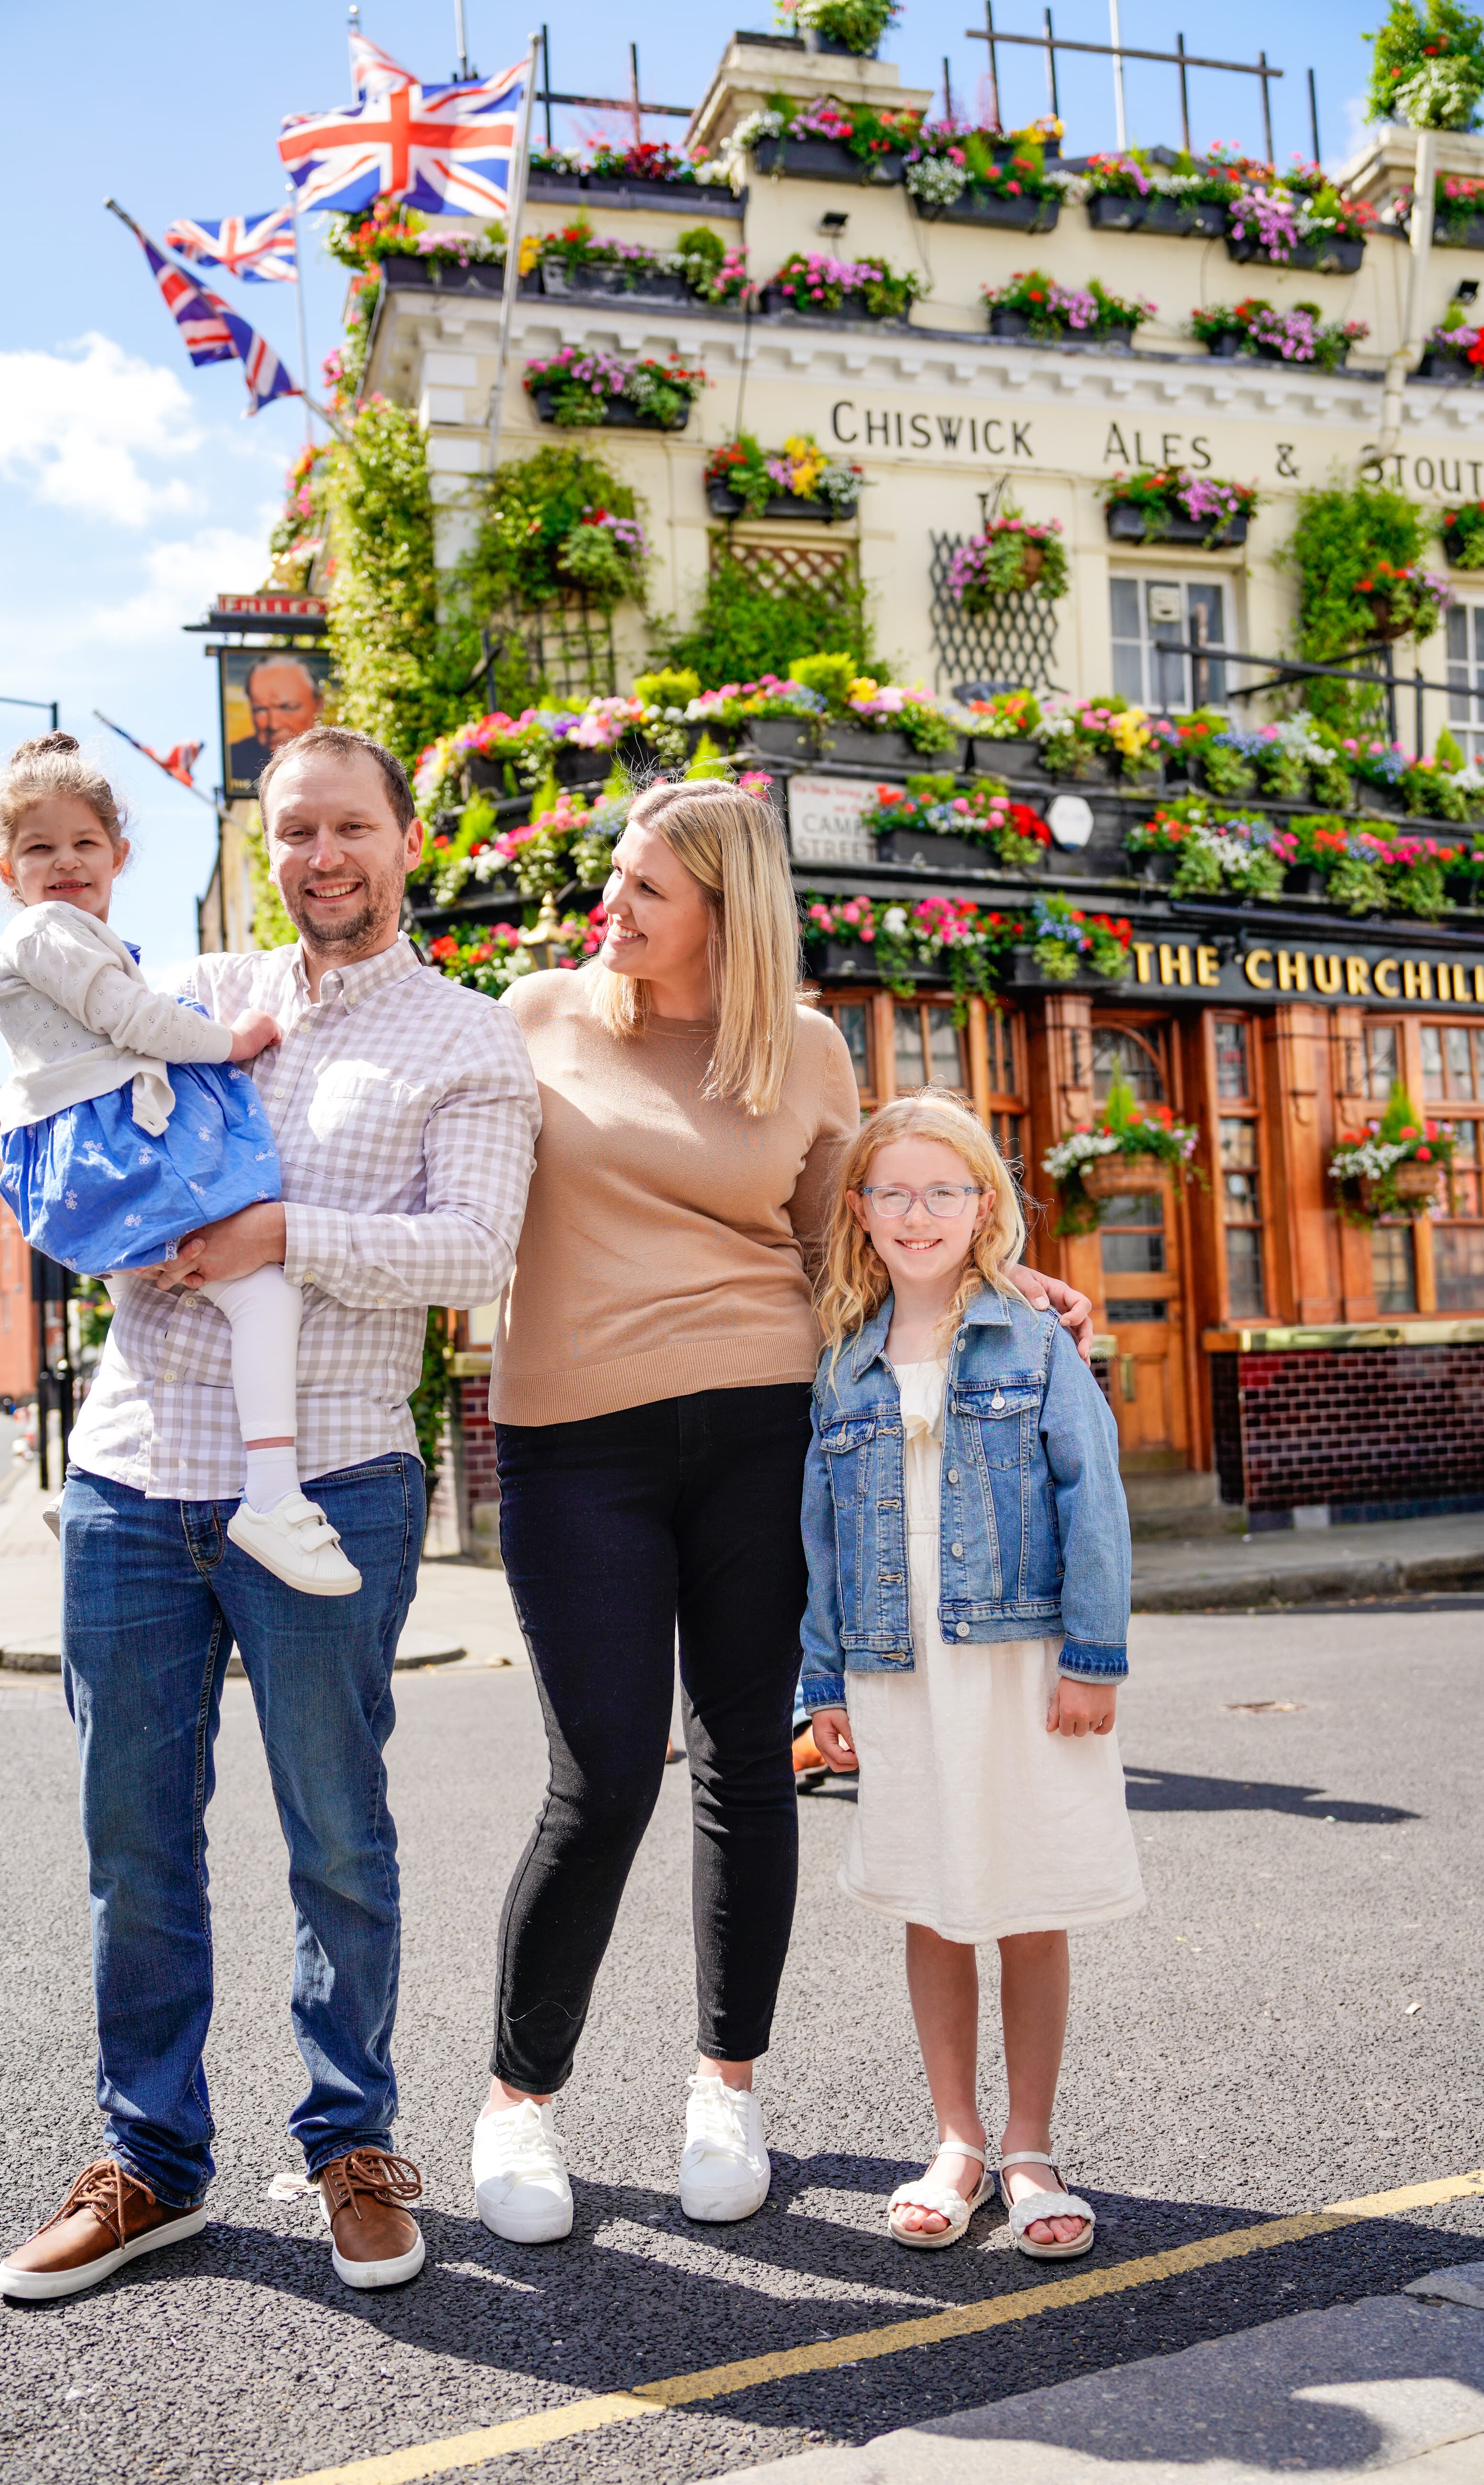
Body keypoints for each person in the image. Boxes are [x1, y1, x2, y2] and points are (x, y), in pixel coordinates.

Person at [468, 777, 1095, 2246]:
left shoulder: (805, 1053)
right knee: (604, 1771)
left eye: (644, 892)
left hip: (766, 1432)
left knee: (747, 1758)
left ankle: (725, 2086)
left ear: (727, 917)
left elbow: (857, 1256)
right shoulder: (536, 1014)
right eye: (612, 877)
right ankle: (519, 2098)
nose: (606, 905)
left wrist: (1010, 1292)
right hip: (571, 1444)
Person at [0, 724, 540, 2305]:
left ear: (403, 839)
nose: (319, 858)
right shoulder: (193, 988)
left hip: (338, 1475)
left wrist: (279, 1234)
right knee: (133, 1845)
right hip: (129, 1472)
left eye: (347, 828)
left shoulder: (466, 1036)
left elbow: (473, 1249)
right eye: (293, 831)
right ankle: (149, 2162)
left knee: (335, 1834)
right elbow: (56, 1110)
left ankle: (349, 2143)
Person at [802, 1092, 1140, 2262]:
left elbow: (1089, 1500)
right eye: (891, 1191)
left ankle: (1030, 2148)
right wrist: (823, 1683)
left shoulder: (1033, 1340)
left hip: (1021, 1662)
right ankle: (954, 2140)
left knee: (1027, 1896)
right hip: (896, 1672)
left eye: (942, 1189)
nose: (916, 1211)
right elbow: (822, 1541)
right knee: (931, 1898)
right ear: (858, 1210)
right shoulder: (843, 1359)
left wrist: (1094, 1660)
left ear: (982, 1206)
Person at [0, 732, 358, 1594]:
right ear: (9, 870)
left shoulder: (69, 933)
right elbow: (133, 1022)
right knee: (261, 1291)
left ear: (117, 854)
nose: (65, 861)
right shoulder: (47, 930)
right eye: (39, 848)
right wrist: (234, 1040)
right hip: (120, 1149)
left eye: (83, 842)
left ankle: (91, 1475)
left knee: (140, 1310)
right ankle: (270, 1493)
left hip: (99, 1154)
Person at [227, 656, 326, 790]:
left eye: (287, 707)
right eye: (260, 709)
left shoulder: (342, 757)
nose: (273, 724)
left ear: (318, 703)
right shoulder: (235, 760)